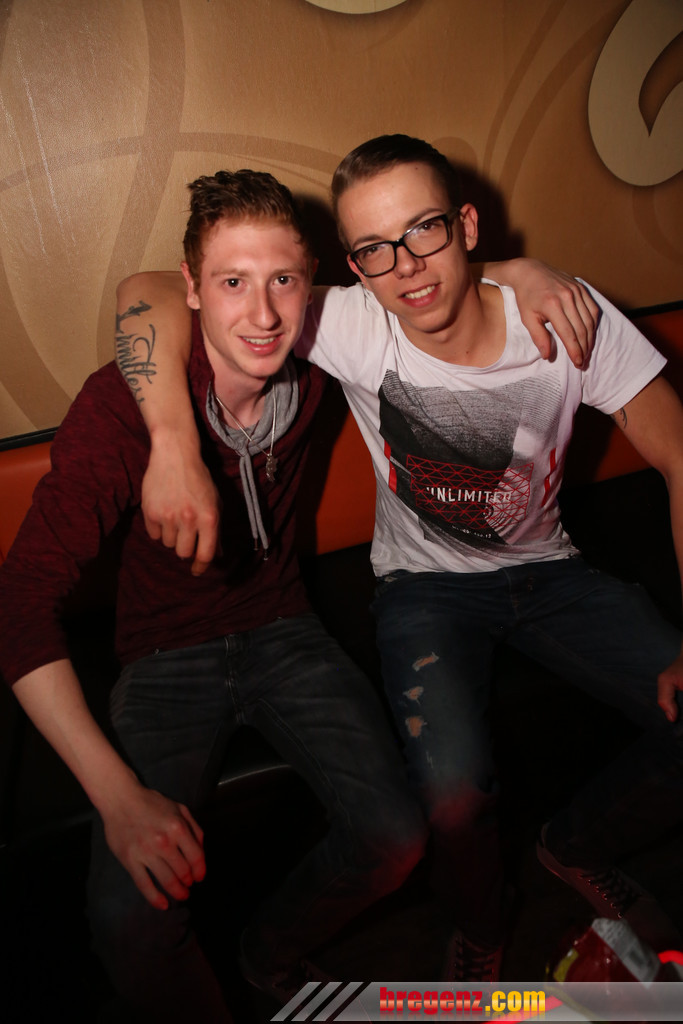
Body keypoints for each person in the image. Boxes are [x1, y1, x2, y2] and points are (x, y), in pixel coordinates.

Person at [117, 135, 683, 983]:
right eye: (373, 249)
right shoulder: (347, 320)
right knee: (450, 795)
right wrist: (170, 444)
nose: (405, 267)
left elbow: (679, 453)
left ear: (465, 224)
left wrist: (525, 274)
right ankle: (481, 925)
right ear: (352, 266)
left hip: (553, 573)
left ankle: (574, 845)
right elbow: (151, 289)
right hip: (425, 591)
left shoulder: (564, 318)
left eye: (423, 229)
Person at [0, 169, 435, 1023]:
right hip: (163, 658)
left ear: (311, 285)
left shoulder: (316, 366)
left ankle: (268, 953)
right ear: (192, 290)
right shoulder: (122, 409)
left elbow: (432, 286)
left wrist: (527, 276)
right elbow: (17, 604)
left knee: (397, 836)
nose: (263, 314)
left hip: (284, 628)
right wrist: (117, 798)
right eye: (232, 282)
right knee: (128, 921)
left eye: (284, 281)